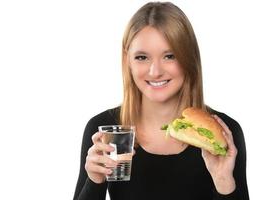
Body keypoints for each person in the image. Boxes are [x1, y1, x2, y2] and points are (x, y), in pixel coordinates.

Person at [73, 2, 249, 200]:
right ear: (127, 61)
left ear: (188, 58)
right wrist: (94, 180)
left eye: (169, 56)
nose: (155, 72)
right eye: (141, 57)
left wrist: (224, 182)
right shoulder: (106, 130)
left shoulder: (221, 133)